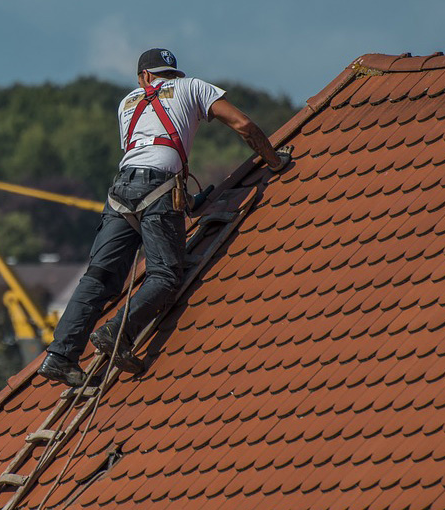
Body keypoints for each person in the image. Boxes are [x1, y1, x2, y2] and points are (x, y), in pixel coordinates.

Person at [37, 48, 292, 387]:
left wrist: (185, 202)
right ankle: (116, 333)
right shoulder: (192, 86)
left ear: (144, 76)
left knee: (98, 277)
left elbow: (145, 153)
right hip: (159, 187)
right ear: (172, 74)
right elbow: (242, 124)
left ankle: (60, 356)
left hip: (120, 191)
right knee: (165, 275)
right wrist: (274, 161)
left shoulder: (127, 103)